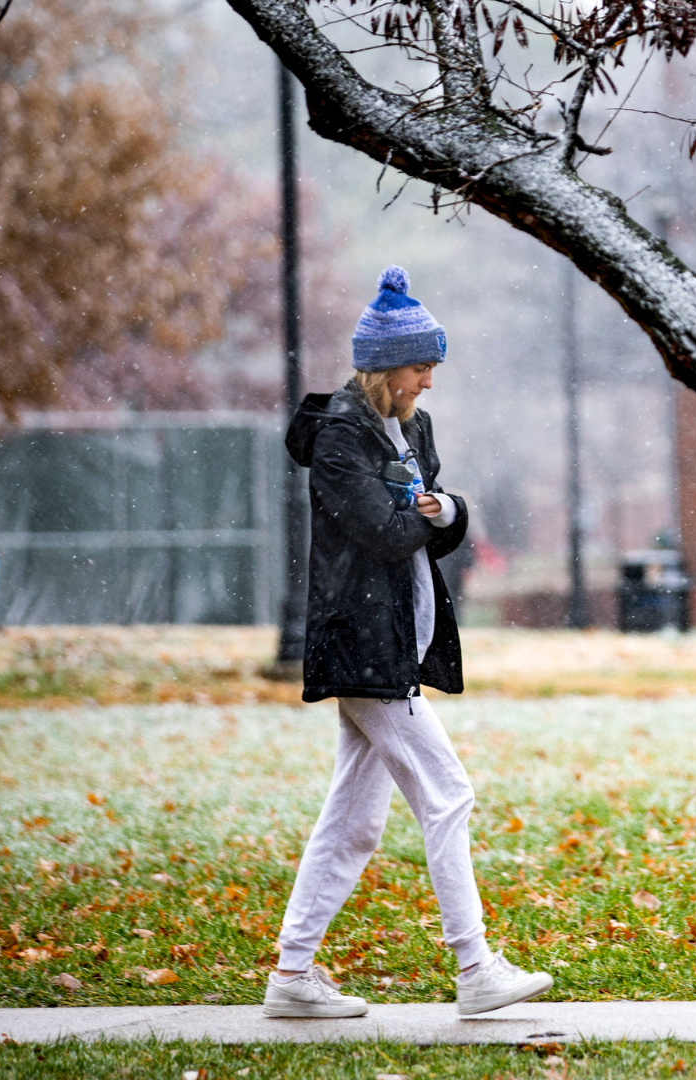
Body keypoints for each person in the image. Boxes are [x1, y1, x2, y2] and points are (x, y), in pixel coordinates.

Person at [264, 266, 553, 1019]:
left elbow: (434, 527)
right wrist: (426, 516)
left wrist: (448, 507)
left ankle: (292, 978)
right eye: (422, 368)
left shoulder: (412, 425)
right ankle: (475, 968)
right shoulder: (337, 439)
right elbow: (383, 533)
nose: (429, 383)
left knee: (355, 820)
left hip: (400, 639)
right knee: (449, 793)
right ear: (386, 367)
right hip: (360, 644)